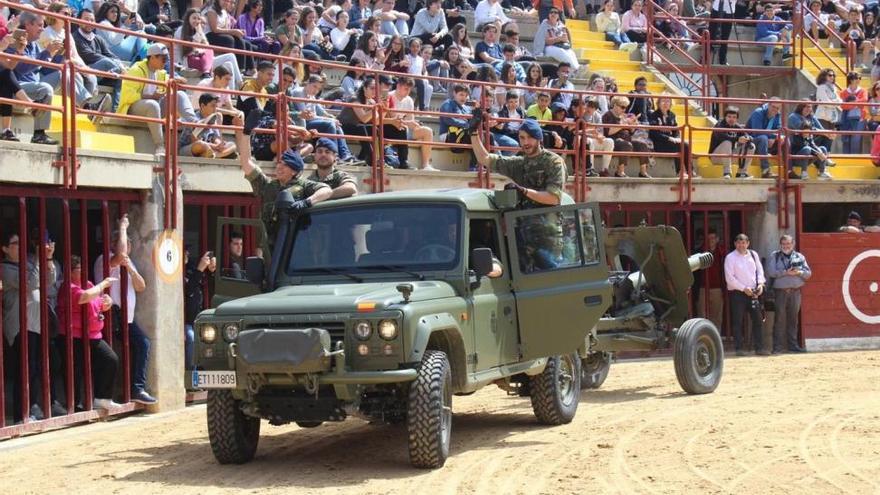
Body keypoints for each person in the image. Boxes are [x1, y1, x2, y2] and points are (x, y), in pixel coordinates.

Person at [94, 215, 158, 405]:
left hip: (126, 320)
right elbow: (120, 255)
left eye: (129, 244)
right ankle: (105, 396)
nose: (127, 247)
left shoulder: (128, 263)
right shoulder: (104, 259)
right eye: (124, 243)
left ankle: (136, 389)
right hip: (109, 319)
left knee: (143, 344)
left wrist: (131, 268)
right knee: (110, 357)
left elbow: (141, 286)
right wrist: (123, 227)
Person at [236, 125, 332, 245]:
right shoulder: (267, 186)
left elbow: (327, 191)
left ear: (294, 171)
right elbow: (246, 163)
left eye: (285, 165)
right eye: (279, 163)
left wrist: (306, 202)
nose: (279, 167)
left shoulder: (303, 186)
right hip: (270, 247)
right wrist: (246, 133)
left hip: (295, 245)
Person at [57, 255, 121, 411]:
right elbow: (83, 297)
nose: (82, 272)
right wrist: (102, 285)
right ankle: (75, 405)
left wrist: (107, 302)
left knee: (110, 359)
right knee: (75, 371)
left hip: (93, 334)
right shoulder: (68, 287)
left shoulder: (89, 284)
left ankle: (102, 398)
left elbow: (99, 304)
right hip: (73, 336)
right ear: (70, 272)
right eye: (78, 269)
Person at [117, 43, 196, 156]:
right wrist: (152, 96)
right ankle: (160, 146)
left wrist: (178, 80)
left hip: (154, 109)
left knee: (179, 95)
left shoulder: (161, 73)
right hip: (132, 108)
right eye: (163, 59)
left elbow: (173, 83)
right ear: (153, 57)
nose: (165, 62)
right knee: (152, 104)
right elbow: (128, 96)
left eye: (167, 59)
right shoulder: (135, 70)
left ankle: (194, 123)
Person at [471, 116, 567, 208]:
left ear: (539, 138)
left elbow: (554, 198)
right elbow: (484, 159)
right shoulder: (518, 163)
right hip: (521, 223)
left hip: (547, 224)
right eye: (522, 138)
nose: (525, 142)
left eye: (530, 137)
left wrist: (524, 191)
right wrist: (473, 132)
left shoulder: (553, 161)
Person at [2, 230, 44, 422]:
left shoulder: (28, 262)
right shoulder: (5, 268)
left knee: (34, 368)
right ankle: (21, 414)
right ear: (4, 248)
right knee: (23, 368)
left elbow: (48, 280)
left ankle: (32, 408)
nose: (21, 246)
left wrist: (46, 259)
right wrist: (37, 260)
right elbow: (31, 283)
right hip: (19, 325)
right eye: (15, 243)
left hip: (34, 322)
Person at [4, 10, 59, 145]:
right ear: (28, 25)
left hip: (34, 83)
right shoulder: (14, 41)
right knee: (46, 89)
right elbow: (21, 69)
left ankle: (86, 105)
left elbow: (40, 68)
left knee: (65, 74)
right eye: (40, 25)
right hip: (17, 85)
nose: (43, 29)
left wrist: (55, 54)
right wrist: (46, 53)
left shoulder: (35, 45)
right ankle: (39, 134)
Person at [765, 235, 810, 354]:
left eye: (788, 244)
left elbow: (808, 274)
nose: (786, 246)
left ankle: (793, 346)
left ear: (793, 244)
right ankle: (777, 347)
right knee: (779, 319)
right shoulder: (775, 256)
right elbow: (771, 272)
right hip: (780, 292)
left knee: (793, 320)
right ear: (780, 245)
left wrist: (798, 272)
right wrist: (786, 273)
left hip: (795, 292)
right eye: (784, 244)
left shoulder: (799, 256)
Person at [724, 233, 767, 356]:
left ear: (748, 243)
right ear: (735, 244)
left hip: (754, 292)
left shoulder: (753, 255)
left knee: (758, 320)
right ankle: (739, 348)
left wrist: (761, 284)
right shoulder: (730, 257)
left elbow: (760, 271)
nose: (741, 245)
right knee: (738, 321)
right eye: (738, 243)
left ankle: (759, 348)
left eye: (743, 243)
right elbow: (730, 278)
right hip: (738, 293)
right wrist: (743, 288)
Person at [73, 8, 124, 110]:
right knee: (106, 62)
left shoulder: (97, 38)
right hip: (85, 73)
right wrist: (116, 64)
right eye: (86, 19)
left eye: (92, 20)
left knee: (120, 77)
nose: (89, 22)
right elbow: (90, 55)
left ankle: (115, 110)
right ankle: (117, 70)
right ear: (78, 21)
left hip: (103, 74)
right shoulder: (75, 37)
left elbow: (110, 55)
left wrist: (119, 64)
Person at [175, 8, 242, 86]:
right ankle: (240, 84)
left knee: (229, 62)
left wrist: (200, 32)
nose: (196, 21)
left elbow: (207, 46)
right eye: (194, 18)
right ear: (188, 18)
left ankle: (233, 92)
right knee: (220, 54)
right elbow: (188, 50)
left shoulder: (198, 30)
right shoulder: (181, 30)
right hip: (188, 62)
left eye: (198, 19)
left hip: (203, 61)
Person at [386, 76, 436, 170]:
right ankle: (404, 162)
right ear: (398, 86)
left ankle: (426, 165)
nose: (408, 92)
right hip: (391, 129)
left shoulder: (409, 100)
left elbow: (410, 119)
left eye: (409, 89)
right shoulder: (389, 96)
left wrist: (415, 124)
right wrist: (409, 123)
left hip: (404, 128)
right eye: (406, 89)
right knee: (403, 128)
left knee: (427, 131)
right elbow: (394, 120)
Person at [603, 95, 651, 178]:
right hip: (613, 140)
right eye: (622, 107)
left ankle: (643, 172)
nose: (624, 110)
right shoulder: (608, 115)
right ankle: (620, 171)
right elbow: (608, 132)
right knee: (626, 145)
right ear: (615, 105)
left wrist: (633, 126)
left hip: (626, 139)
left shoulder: (623, 116)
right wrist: (623, 125)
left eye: (626, 107)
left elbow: (630, 132)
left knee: (642, 145)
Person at [178, 93, 238, 158]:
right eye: (212, 106)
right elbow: (194, 141)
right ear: (203, 106)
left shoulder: (213, 118)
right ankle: (220, 155)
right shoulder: (194, 118)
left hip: (209, 147)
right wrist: (215, 146)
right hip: (189, 147)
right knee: (201, 144)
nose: (215, 109)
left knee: (232, 145)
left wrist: (219, 145)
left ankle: (214, 155)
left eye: (216, 106)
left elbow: (214, 137)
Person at [184, 248, 215, 371]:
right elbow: (189, 289)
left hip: (201, 320)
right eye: (183, 251)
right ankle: (193, 378)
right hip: (186, 321)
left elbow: (210, 288)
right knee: (191, 338)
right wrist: (199, 269)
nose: (187, 253)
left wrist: (212, 270)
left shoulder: (192, 268)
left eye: (187, 251)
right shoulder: (180, 272)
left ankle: (207, 378)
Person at [648, 95, 692, 177]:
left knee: (685, 144)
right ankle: (680, 172)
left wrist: (677, 138)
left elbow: (676, 130)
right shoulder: (653, 115)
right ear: (658, 103)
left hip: (671, 143)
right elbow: (653, 133)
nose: (665, 103)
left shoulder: (672, 115)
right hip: (659, 144)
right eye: (663, 101)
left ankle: (691, 171)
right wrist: (669, 138)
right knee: (678, 147)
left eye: (668, 101)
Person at [709, 106, 755, 179]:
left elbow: (747, 135)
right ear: (725, 117)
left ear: (737, 119)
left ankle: (741, 173)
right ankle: (727, 173)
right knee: (727, 142)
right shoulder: (719, 125)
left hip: (729, 156)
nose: (731, 119)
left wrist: (747, 138)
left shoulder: (736, 126)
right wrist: (738, 139)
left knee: (751, 146)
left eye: (734, 117)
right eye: (729, 116)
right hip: (716, 157)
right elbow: (723, 137)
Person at [745, 98, 782, 178]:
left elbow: (778, 130)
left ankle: (789, 170)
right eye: (773, 107)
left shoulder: (777, 115)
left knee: (785, 140)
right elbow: (757, 132)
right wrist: (772, 136)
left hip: (767, 142)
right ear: (768, 105)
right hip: (751, 142)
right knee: (763, 138)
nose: (775, 109)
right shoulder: (758, 112)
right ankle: (765, 170)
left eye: (777, 108)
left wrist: (776, 137)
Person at [696, 228, 725, 329]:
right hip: (703, 287)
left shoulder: (723, 252)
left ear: (717, 239)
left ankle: (715, 337)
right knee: (702, 315)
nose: (711, 240)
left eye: (713, 238)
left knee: (716, 316)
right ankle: (703, 337)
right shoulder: (699, 252)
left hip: (717, 288)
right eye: (708, 238)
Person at [583, 98, 614, 176]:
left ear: (596, 109)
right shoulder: (581, 114)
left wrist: (598, 136)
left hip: (595, 139)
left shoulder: (597, 115)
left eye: (593, 107)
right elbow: (581, 131)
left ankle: (604, 169)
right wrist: (595, 135)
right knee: (589, 141)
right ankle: (590, 169)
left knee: (609, 141)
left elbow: (600, 132)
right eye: (588, 105)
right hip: (586, 140)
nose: (589, 108)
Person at [839, 71, 868, 154]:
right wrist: (856, 104)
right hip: (846, 119)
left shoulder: (863, 90)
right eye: (857, 78)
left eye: (859, 78)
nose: (859, 80)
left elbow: (864, 101)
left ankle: (853, 160)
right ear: (851, 80)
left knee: (855, 141)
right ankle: (845, 160)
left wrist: (850, 104)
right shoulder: (844, 92)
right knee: (846, 140)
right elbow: (842, 105)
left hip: (860, 119)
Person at [710, 0, 735, 65]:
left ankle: (723, 61)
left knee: (724, 39)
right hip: (716, 9)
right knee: (711, 36)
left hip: (729, 11)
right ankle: (704, 59)